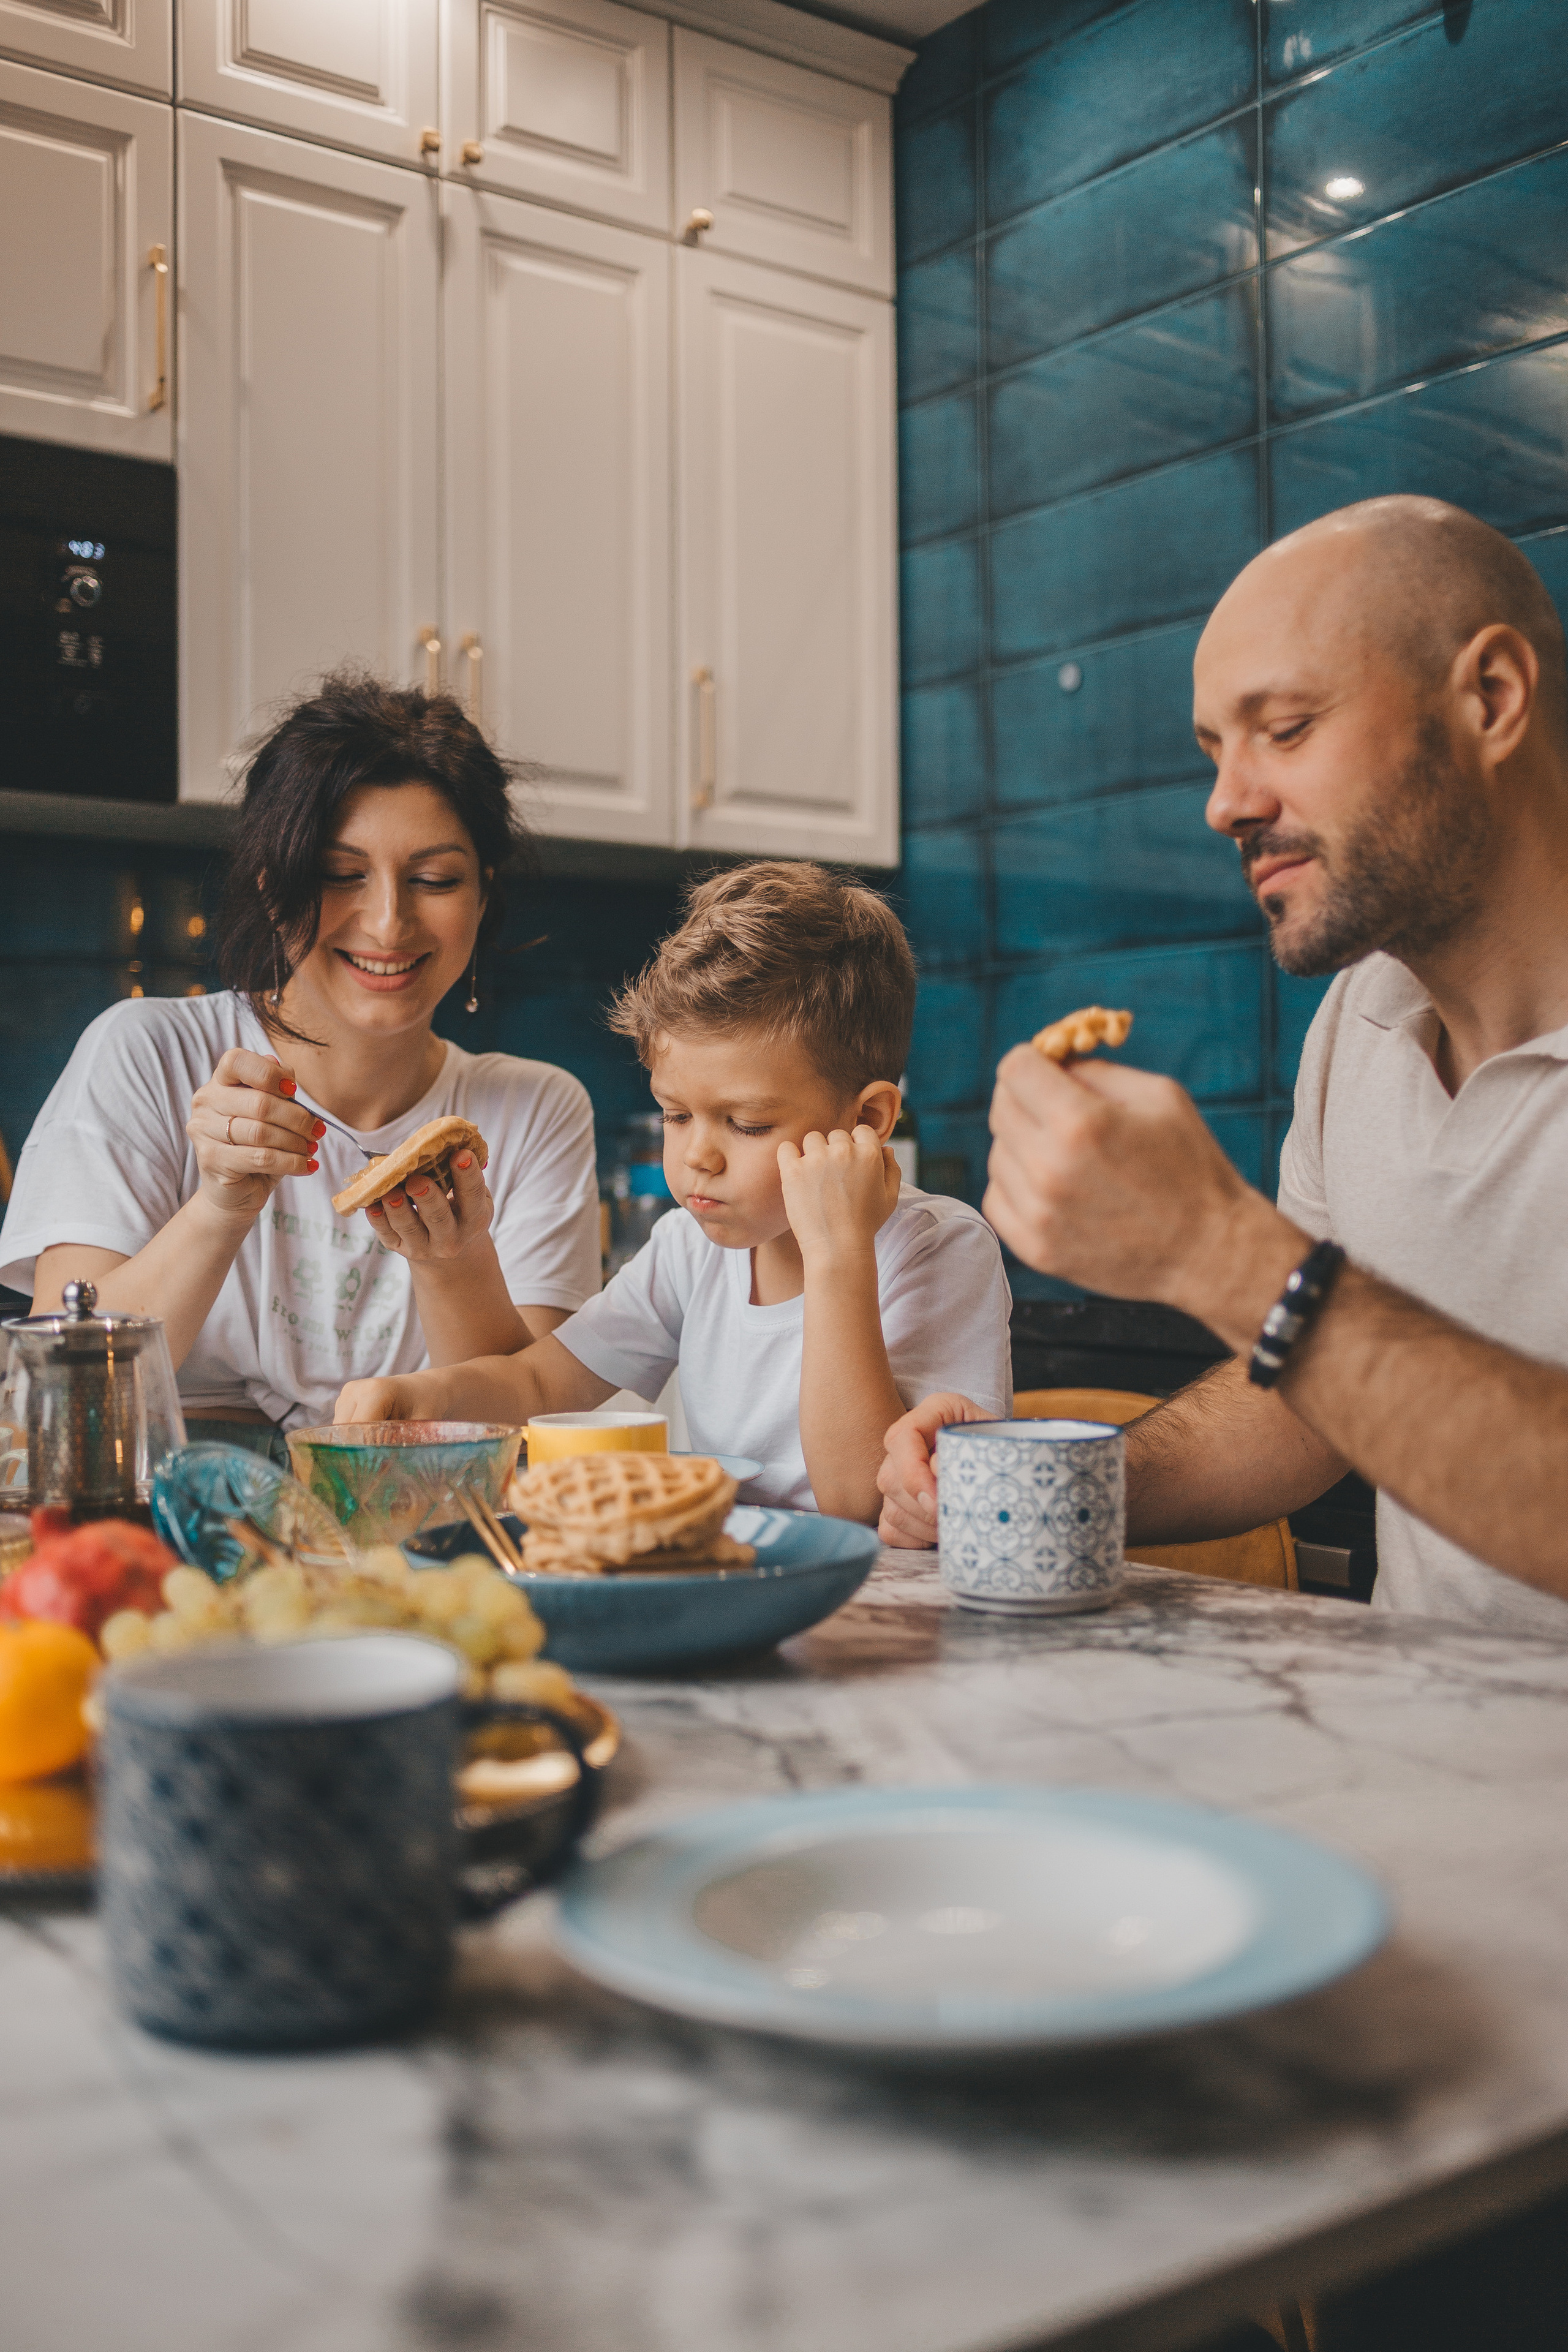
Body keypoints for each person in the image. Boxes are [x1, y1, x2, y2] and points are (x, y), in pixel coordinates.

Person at [878, 496, 1568, 1632]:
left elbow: (1303, 1323)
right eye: (1216, 750)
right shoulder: (1363, 1015)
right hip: (1422, 1755)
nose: (1225, 803)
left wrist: (1218, 1249)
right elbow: (1323, 1395)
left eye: (1286, 729)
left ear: (1490, 699)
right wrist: (1044, 1485)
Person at [0, 671, 600, 1450]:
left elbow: (531, 1431)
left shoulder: (537, 1109)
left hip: (409, 1516)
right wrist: (219, 1207)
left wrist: (454, 1261)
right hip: (163, 1511)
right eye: (338, 875)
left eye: (434, 880)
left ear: (482, 896)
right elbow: (65, 1403)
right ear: (271, 885)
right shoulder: (148, 1053)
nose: (388, 922)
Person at [333, 861, 1012, 1520]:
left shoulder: (941, 1251)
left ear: (864, 1123)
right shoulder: (690, 1247)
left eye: (744, 1125)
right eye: (676, 1115)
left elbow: (859, 1498)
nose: (695, 1159)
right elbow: (540, 1383)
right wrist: (419, 1399)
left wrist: (838, 1254)